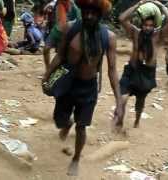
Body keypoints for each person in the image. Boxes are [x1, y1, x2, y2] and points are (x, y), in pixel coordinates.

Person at [42, 0, 123, 176]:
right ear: (82, 11)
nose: (89, 16)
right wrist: (47, 75)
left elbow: (112, 70)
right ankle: (66, 123)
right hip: (68, 82)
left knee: (82, 126)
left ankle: (76, 158)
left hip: (89, 87)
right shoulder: (70, 28)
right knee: (59, 121)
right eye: (86, 12)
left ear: (100, 15)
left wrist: (119, 102)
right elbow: (60, 56)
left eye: (93, 13)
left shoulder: (108, 37)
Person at [113, 0, 168, 130]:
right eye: (145, 25)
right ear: (142, 24)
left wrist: (161, 6)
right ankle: (119, 122)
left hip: (147, 74)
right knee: (122, 98)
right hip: (131, 70)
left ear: (154, 26)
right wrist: (138, 5)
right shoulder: (135, 33)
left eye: (150, 25)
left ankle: (137, 120)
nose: (147, 28)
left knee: (140, 103)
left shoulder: (158, 37)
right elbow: (122, 18)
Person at [43, 0, 81, 71]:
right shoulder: (56, 2)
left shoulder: (74, 6)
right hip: (56, 30)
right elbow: (45, 9)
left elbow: (79, 20)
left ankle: (57, 71)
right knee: (46, 49)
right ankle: (47, 68)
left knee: (61, 55)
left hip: (67, 33)